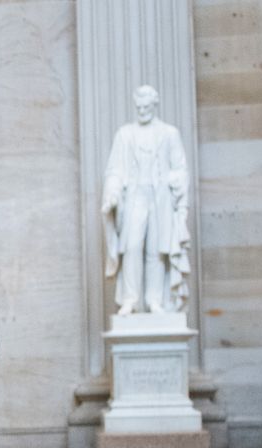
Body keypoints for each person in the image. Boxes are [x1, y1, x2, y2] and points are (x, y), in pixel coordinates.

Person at [101, 85, 190, 316]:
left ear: (154, 105)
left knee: (156, 251)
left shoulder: (169, 134)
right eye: (139, 107)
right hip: (134, 197)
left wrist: (172, 181)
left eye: (146, 107)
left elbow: (180, 168)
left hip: (159, 197)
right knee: (131, 247)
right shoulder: (125, 134)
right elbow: (114, 171)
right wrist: (111, 194)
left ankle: (154, 300)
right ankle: (131, 299)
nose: (142, 111)